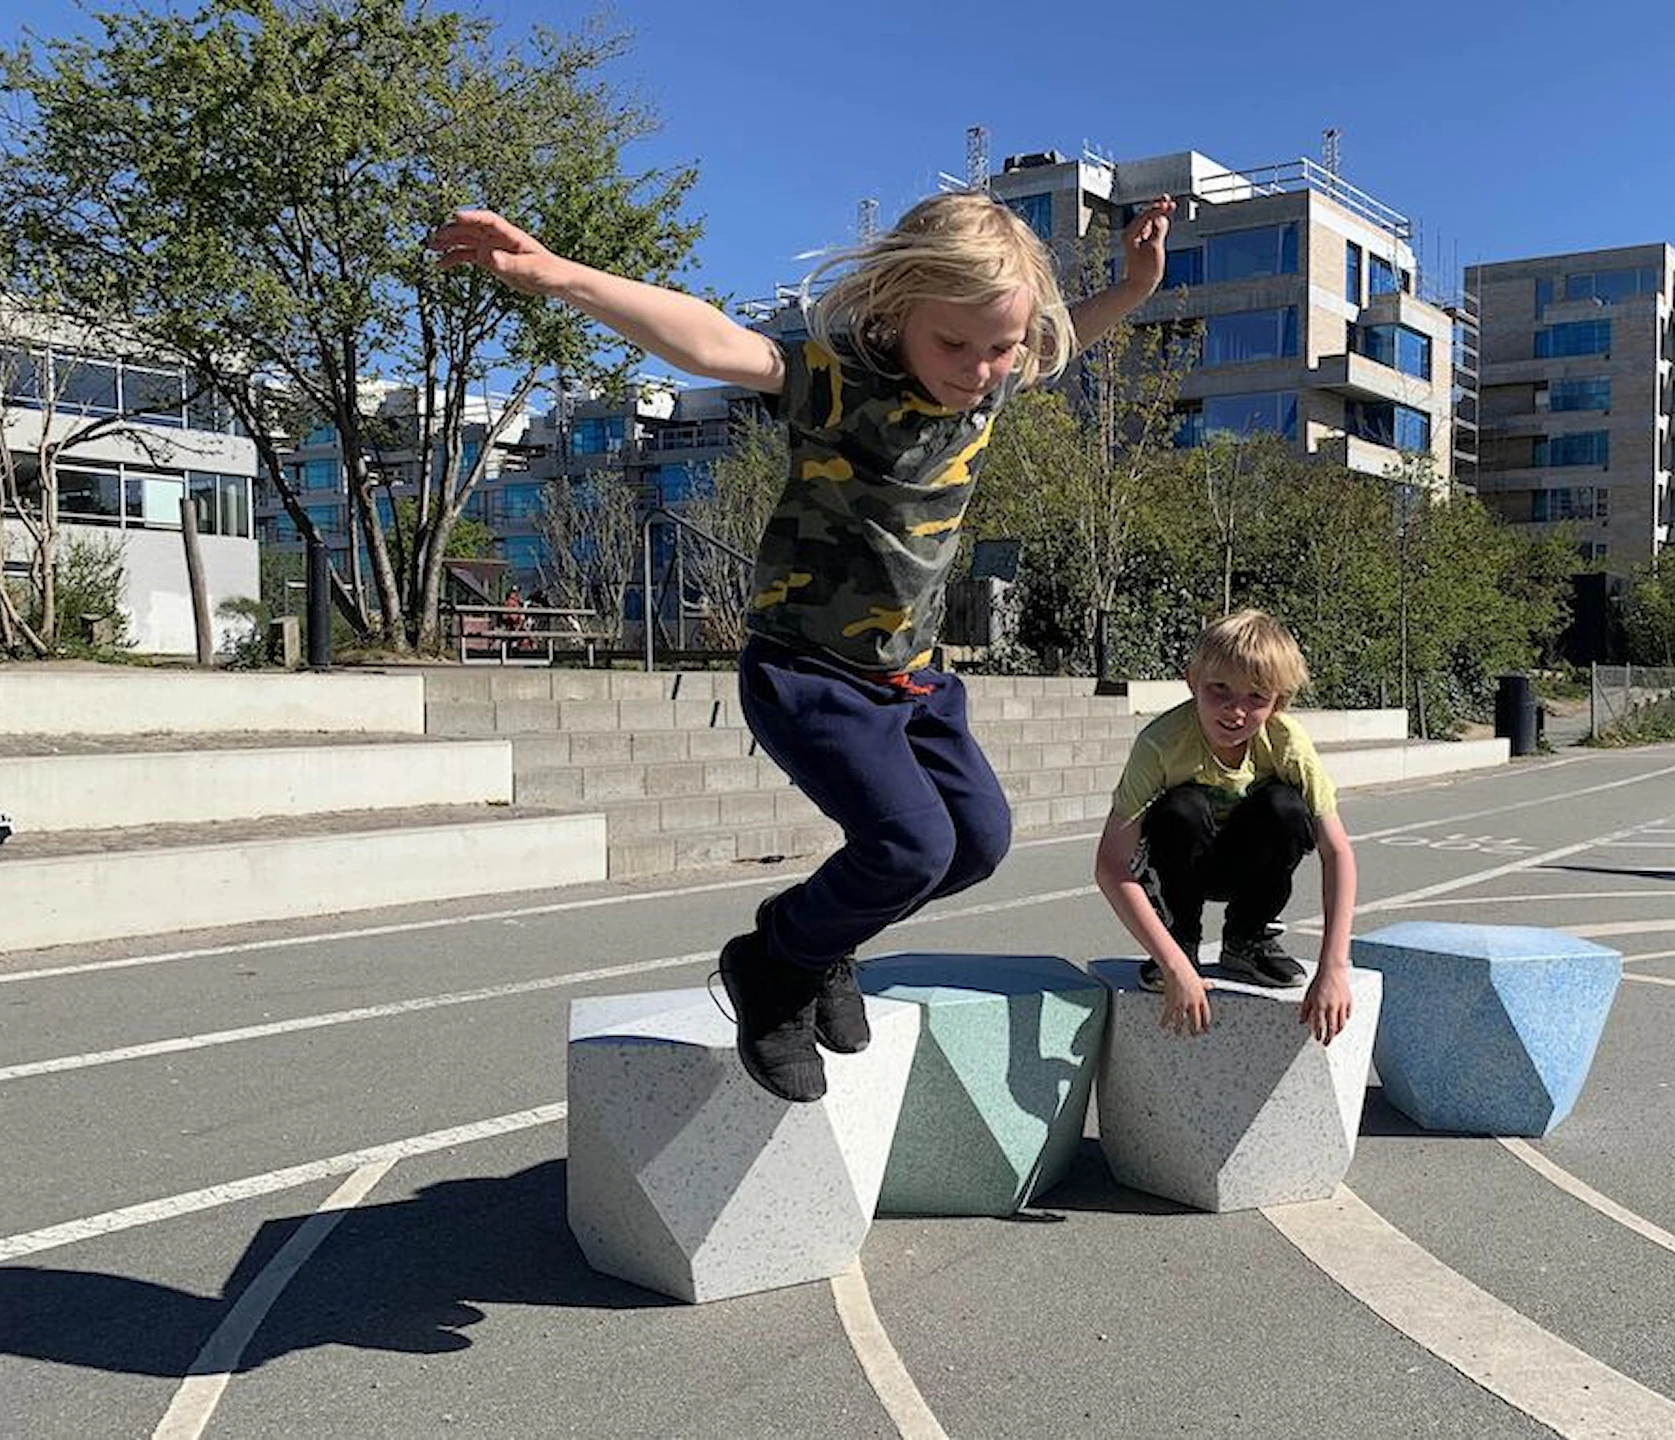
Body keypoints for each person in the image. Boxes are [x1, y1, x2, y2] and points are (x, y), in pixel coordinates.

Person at [431, 190, 1175, 1101]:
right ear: (900, 310)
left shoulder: (993, 376)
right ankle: (774, 964)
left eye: (1000, 348)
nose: (981, 371)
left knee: (978, 843)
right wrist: (557, 274)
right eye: (955, 345)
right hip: (811, 671)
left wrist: (1134, 286)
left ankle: (823, 941)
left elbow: (1063, 339)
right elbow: (710, 342)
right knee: (908, 847)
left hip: (912, 681)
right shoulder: (838, 381)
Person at [1092, 611, 1357, 1045]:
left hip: (1250, 864)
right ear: (1192, 680)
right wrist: (1173, 963)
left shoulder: (1287, 743)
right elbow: (1111, 864)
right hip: (1182, 862)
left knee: (1285, 807)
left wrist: (1334, 968)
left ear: (1278, 702)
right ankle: (1181, 937)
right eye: (1220, 689)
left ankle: (1247, 937)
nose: (1235, 711)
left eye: (1256, 697)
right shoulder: (1160, 744)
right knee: (1181, 808)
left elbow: (1337, 851)